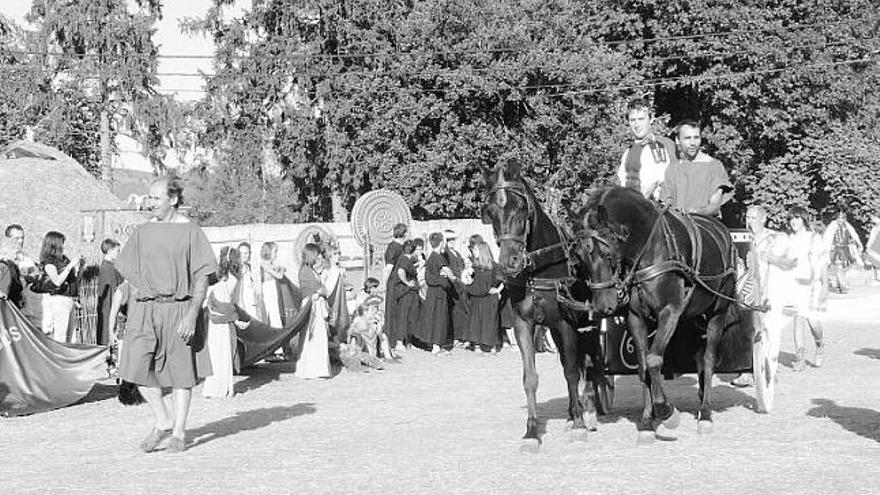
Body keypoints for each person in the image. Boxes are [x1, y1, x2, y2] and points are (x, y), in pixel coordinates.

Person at [116, 176, 218, 453]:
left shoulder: (191, 232)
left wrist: (191, 314)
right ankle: (163, 419)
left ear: (173, 199)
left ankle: (179, 432)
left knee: (181, 373)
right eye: (149, 198)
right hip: (147, 308)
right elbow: (124, 264)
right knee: (135, 366)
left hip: (180, 308)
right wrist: (143, 288)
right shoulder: (143, 232)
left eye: (156, 199)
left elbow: (202, 277)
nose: (150, 203)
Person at [730, 205, 788, 388]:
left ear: (763, 219)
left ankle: (770, 368)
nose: (749, 221)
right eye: (747, 217)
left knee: (770, 330)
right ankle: (746, 370)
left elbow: (783, 264)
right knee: (745, 329)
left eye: (754, 217)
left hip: (770, 290)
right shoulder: (740, 238)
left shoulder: (777, 238)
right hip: (746, 292)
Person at [203, 246, 249, 399]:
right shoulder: (234, 279)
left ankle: (213, 388)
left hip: (215, 319)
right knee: (223, 354)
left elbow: (213, 297)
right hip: (222, 320)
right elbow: (231, 302)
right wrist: (235, 319)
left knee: (215, 354)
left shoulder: (216, 276)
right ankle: (223, 387)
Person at [661, 119, 733, 216]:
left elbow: (714, 206)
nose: (692, 143)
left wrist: (695, 211)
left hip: (705, 225)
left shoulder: (714, 166)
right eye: (687, 138)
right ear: (678, 140)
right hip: (677, 226)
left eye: (696, 138)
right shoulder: (672, 169)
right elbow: (666, 201)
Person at [785, 207, 826, 371]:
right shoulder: (788, 240)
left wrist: (825, 286)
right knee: (798, 317)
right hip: (795, 285)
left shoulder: (814, 239)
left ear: (804, 219)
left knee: (813, 321)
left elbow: (823, 263)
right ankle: (800, 357)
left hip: (812, 285)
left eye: (797, 218)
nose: (794, 222)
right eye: (791, 219)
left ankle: (820, 344)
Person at [617, 97, 676, 199]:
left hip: (648, 208)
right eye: (633, 120)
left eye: (641, 119)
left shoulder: (657, 148)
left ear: (651, 119)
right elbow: (621, 183)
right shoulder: (627, 152)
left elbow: (653, 184)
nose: (637, 125)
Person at [36, 231, 82, 342]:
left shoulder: (64, 259)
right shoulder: (49, 261)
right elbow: (57, 281)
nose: (63, 247)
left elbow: (74, 279)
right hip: (59, 300)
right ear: (54, 244)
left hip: (69, 299)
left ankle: (68, 357)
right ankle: (59, 357)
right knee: (61, 336)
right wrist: (70, 266)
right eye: (61, 243)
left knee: (71, 338)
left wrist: (80, 267)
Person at [295, 243, 331, 379]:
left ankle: (317, 368)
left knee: (317, 336)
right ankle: (311, 369)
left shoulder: (311, 270)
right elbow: (319, 289)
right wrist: (322, 290)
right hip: (311, 305)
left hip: (315, 303)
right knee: (312, 336)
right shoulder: (305, 271)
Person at [418, 232, 453, 354]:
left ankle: (435, 344)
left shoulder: (431, 256)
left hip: (433, 292)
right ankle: (436, 345)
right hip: (438, 292)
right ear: (441, 242)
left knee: (434, 316)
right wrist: (451, 278)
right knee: (439, 318)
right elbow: (445, 270)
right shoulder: (437, 257)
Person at [465, 241, 502, 353]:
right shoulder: (474, 267)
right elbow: (469, 282)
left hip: (490, 299)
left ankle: (490, 344)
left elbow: (502, 280)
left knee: (490, 321)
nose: (473, 252)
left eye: (476, 250)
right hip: (476, 297)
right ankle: (476, 344)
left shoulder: (494, 266)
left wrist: (498, 290)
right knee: (476, 321)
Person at [823, 208, 863, 294]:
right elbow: (827, 237)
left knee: (844, 268)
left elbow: (853, 234)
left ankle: (839, 283)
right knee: (839, 267)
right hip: (835, 249)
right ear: (836, 218)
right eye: (839, 218)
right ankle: (843, 286)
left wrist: (858, 243)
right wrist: (826, 248)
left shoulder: (847, 225)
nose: (841, 220)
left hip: (845, 249)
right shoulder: (832, 225)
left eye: (842, 218)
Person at [392, 240, 421, 351]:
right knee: (404, 316)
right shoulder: (404, 259)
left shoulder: (406, 259)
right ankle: (400, 342)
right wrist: (407, 283)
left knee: (410, 316)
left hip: (411, 291)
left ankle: (408, 341)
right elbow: (401, 271)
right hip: (406, 292)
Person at [383, 223, 407, 350]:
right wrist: (384, 283)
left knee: (398, 311)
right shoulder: (394, 248)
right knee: (392, 311)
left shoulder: (397, 247)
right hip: (394, 283)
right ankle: (391, 341)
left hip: (398, 283)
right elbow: (388, 267)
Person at [96, 238, 123, 346]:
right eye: (117, 251)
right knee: (107, 336)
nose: (119, 253)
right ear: (109, 250)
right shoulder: (108, 268)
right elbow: (113, 291)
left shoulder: (110, 266)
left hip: (109, 306)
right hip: (109, 307)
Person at [444, 229, 468, 348]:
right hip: (452, 286)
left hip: (460, 285)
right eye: (449, 241)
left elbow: (462, 266)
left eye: (453, 240)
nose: (452, 242)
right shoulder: (446, 253)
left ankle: (461, 336)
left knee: (461, 311)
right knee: (454, 312)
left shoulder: (456, 253)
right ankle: (455, 337)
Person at [237, 242, 263, 320]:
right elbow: (239, 291)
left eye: (246, 253)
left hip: (252, 302)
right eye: (241, 253)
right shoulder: (237, 269)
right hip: (243, 304)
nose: (243, 256)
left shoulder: (249, 267)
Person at [865, 211, 880, 283]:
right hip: (875, 247)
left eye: (873, 218)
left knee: (876, 261)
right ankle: (876, 277)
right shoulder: (875, 227)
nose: (872, 219)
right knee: (874, 262)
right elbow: (872, 237)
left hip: (877, 247)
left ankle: (877, 278)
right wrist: (868, 246)